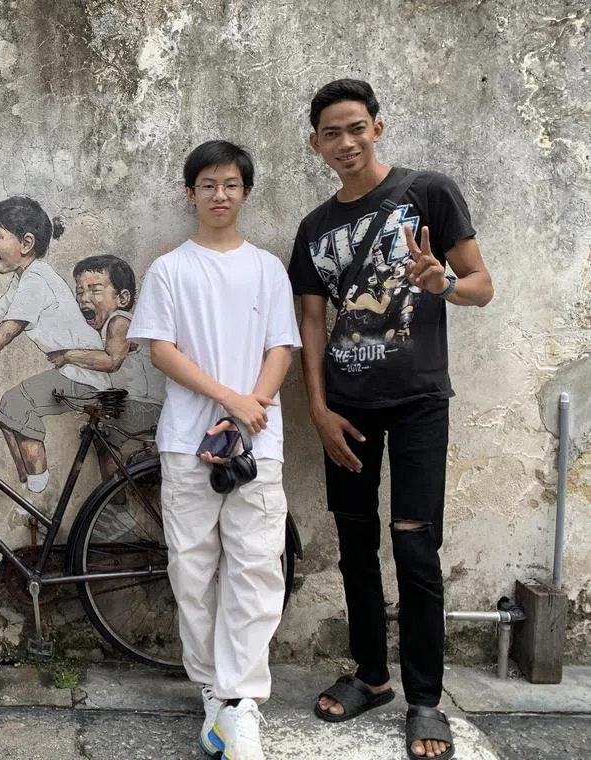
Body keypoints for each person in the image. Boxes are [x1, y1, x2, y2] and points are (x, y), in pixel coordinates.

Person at [289, 79, 493, 760]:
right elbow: (312, 322)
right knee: (354, 544)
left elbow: (482, 285)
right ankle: (372, 678)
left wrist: (445, 284)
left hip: (417, 403)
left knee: (413, 545)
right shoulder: (315, 229)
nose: (345, 143)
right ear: (315, 144)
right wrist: (317, 407)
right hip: (345, 406)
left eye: (356, 128)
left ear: (378, 127)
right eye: (331, 134)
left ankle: (426, 700)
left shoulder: (426, 192)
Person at [128, 140, 300, 760]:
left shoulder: (268, 269)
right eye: (208, 184)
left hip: (258, 440)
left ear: (245, 192)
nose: (219, 195)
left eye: (231, 184)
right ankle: (211, 693)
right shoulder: (171, 269)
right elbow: (162, 351)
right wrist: (232, 400)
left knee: (257, 567)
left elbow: (281, 347)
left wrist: (250, 408)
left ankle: (241, 701)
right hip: (187, 439)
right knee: (193, 569)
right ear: (190, 192)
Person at [0, 196, 109, 493]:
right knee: (7, 414)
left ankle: (38, 485)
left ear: (26, 242)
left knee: (16, 403)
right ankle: (26, 482)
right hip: (72, 373)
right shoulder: (24, 278)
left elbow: (8, 330)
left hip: (81, 375)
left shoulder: (38, 280)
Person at [54, 254, 165, 479]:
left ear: (122, 297)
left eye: (94, 290)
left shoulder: (120, 321)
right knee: (102, 441)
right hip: (133, 403)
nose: (84, 298)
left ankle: (117, 501)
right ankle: (116, 498)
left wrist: (68, 356)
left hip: (147, 407)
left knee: (103, 433)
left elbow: (111, 361)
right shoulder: (104, 326)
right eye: (80, 291)